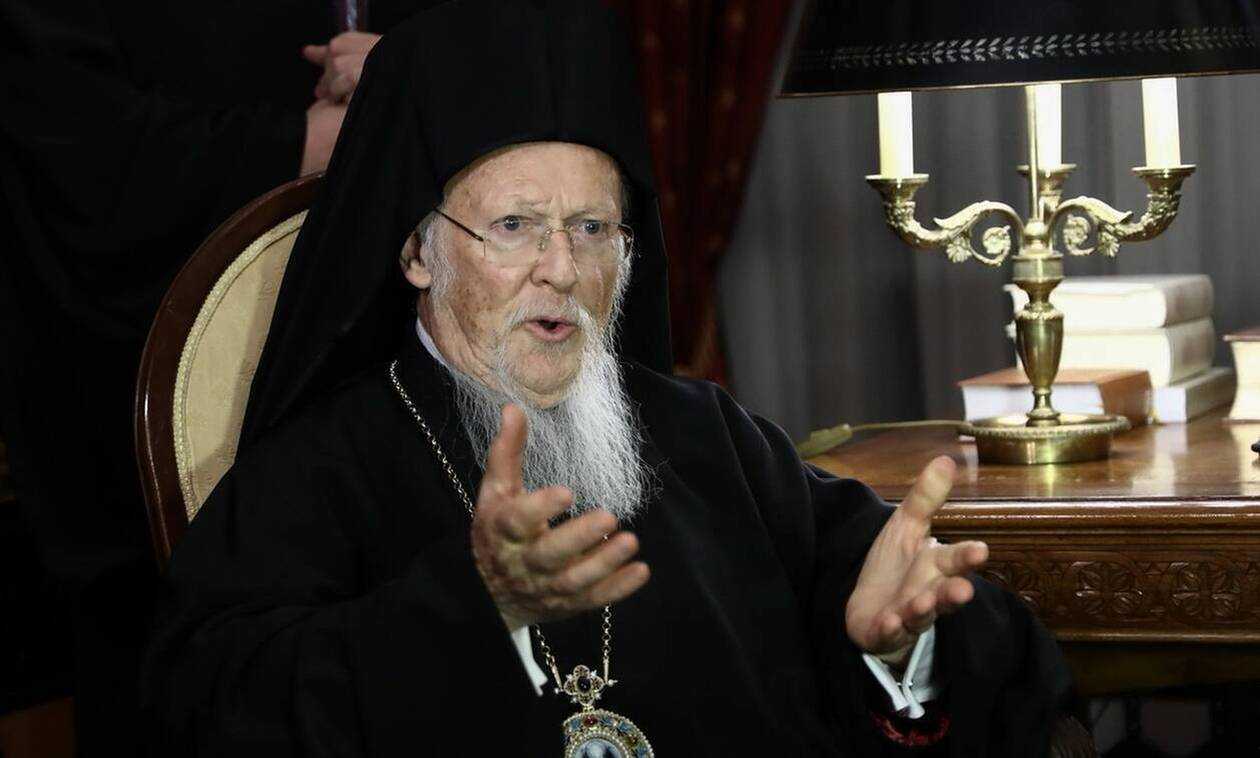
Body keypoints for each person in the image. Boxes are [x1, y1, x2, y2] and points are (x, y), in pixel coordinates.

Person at [142, 2, 1071, 755]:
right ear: (419, 254)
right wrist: (473, 606)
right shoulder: (317, 469)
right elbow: (212, 703)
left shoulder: (710, 439)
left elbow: (934, 621)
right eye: (514, 227)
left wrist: (901, 652)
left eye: (593, 229)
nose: (561, 267)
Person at [0, 1, 436, 752]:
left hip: (391, 402)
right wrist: (313, 141)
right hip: (155, 447)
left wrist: (420, 74)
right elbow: (74, 138)